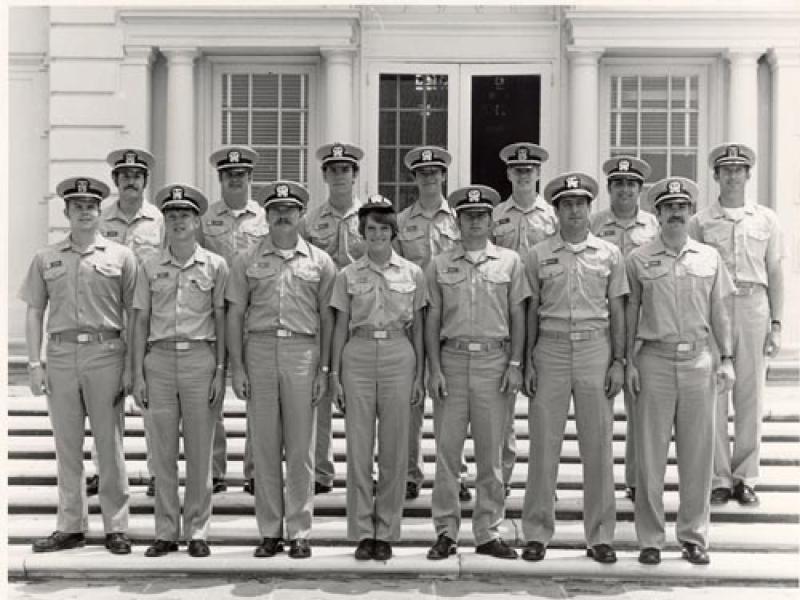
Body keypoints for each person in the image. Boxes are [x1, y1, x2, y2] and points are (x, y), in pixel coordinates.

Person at [20, 176, 135, 555]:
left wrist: (131, 367)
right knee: (67, 445)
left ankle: (116, 526)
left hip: (106, 354)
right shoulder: (46, 258)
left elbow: (133, 315)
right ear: (66, 212)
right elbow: (35, 311)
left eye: (91, 206)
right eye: (77, 206)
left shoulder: (120, 256)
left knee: (109, 443)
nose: (85, 211)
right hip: (62, 356)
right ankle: (70, 525)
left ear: (99, 211)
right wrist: (34, 364)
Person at [626, 177, 735, 566]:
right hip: (653, 360)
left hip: (698, 361)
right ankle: (651, 540)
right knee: (651, 456)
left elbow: (720, 311)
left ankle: (693, 536)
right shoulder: (638, 259)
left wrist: (727, 360)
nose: (675, 213)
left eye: (681, 207)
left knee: (697, 455)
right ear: (656, 214)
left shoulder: (709, 257)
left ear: (690, 213)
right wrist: (627, 363)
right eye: (668, 207)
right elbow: (630, 314)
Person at [227, 180, 336, 560]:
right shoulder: (246, 261)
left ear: (301, 214)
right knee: (265, 446)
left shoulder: (320, 262)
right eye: (276, 210)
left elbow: (327, 318)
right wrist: (236, 367)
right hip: (258, 350)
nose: (283, 215)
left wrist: (326, 369)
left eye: (290, 210)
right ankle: (270, 531)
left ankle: (300, 530)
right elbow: (235, 313)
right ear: (267, 216)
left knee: (302, 447)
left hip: (302, 352)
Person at [521, 172, 627, 564]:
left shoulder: (609, 253)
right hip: (550, 349)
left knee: (597, 446)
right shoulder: (538, 254)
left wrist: (619, 360)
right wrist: (527, 359)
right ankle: (536, 532)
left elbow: (617, 310)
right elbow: (530, 309)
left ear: (589, 207)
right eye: (567, 204)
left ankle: (600, 535)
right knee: (543, 445)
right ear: (556, 210)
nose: (575, 211)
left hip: (594, 349)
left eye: (581, 203)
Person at [425, 185, 529, 561]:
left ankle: (487, 532)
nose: (474, 222)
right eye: (467, 216)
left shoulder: (510, 262)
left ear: (490, 221)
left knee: (492, 456)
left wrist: (516, 364)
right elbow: (432, 317)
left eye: (481, 216)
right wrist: (432, 368)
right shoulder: (439, 264)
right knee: (447, 455)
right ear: (457, 221)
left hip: (493, 363)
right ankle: (445, 532)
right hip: (451, 362)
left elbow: (519, 314)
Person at [131, 184, 227, 558]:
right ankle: (166, 531)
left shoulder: (215, 266)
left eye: (185, 215)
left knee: (201, 451)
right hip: (159, 360)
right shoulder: (149, 266)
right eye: (171, 216)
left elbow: (221, 319)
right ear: (164, 222)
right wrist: (137, 373)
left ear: (197, 220)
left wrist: (222, 370)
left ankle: (198, 530)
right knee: (163, 450)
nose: (178, 222)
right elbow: (139, 320)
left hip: (199, 359)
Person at [329, 195, 427, 561]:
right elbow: (339, 326)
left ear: (393, 232)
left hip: (398, 354)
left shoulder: (412, 273)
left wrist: (420, 373)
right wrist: (335, 374)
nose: (377, 235)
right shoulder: (347, 274)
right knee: (358, 447)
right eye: (370, 229)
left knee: (394, 448)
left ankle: (386, 529)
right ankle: (361, 530)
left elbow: (418, 327)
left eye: (384, 229)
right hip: (358, 352)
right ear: (361, 233)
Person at [689, 143, 785, 508]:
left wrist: (777, 324)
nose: (732, 175)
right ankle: (719, 477)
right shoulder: (700, 221)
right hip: (716, 308)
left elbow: (775, 272)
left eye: (738, 169)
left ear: (748, 175)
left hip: (754, 306)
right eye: (725, 170)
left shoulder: (766, 219)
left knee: (750, 394)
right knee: (714, 391)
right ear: (715, 176)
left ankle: (746, 476)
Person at [394, 146, 469, 502]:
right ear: (414, 178)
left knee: (451, 399)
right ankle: (410, 472)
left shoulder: (459, 219)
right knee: (411, 397)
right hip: (410, 317)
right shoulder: (402, 221)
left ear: (443, 176)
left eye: (434, 172)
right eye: (421, 172)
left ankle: (455, 473)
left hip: (451, 316)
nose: (428, 177)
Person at [89, 147, 162, 499]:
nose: (130, 181)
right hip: (111, 322)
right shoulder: (100, 221)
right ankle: (103, 468)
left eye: (136, 176)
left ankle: (155, 472)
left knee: (151, 402)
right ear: (115, 181)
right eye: (124, 176)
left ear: (145, 181)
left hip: (150, 323)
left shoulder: (161, 221)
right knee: (106, 402)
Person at [589, 155, 659, 503]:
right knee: (598, 408)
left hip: (643, 322)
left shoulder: (653, 225)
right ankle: (599, 485)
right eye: (618, 184)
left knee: (638, 406)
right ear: (609, 188)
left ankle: (634, 479)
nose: (625, 190)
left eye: (631, 184)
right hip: (601, 321)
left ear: (640, 190)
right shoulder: (594, 223)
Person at [201, 145, 268, 495]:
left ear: (250, 178)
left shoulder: (265, 217)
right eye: (229, 175)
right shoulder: (205, 219)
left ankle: (255, 470)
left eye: (241, 174)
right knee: (212, 394)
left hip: (255, 313)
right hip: (214, 315)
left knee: (257, 393)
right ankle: (214, 469)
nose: (235, 179)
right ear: (220, 178)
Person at [492, 142, 557, 498]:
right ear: (507, 174)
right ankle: (501, 476)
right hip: (504, 314)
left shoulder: (552, 216)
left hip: (545, 313)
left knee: (546, 403)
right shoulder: (495, 215)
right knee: (503, 403)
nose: (523, 175)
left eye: (529, 170)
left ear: (537, 174)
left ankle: (543, 481)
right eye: (517, 170)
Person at [301, 142, 366, 496]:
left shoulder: (371, 217)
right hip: (323, 317)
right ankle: (322, 470)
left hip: (362, 318)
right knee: (323, 391)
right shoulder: (310, 220)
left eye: (346, 169)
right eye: (333, 169)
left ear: (356, 175)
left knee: (364, 397)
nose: (339, 175)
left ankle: (364, 469)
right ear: (324, 175)